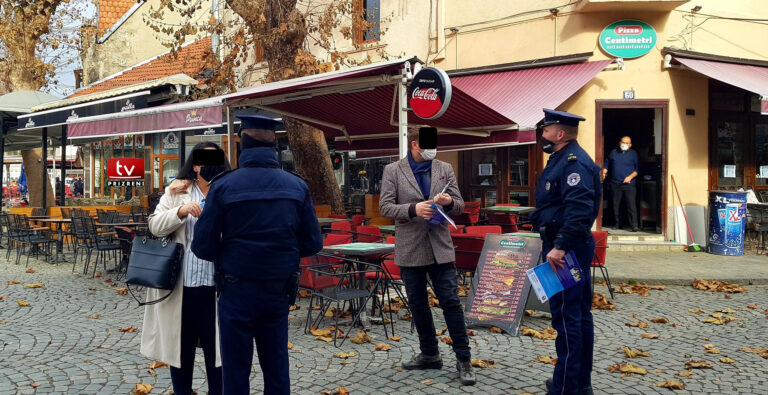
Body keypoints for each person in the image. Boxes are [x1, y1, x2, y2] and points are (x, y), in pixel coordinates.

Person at [191, 115, 323, 395]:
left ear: (242, 144)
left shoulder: (224, 186)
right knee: (276, 367)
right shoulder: (296, 186)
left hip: (236, 287)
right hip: (278, 288)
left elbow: (202, 246)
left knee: (235, 371)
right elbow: (312, 243)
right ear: (274, 145)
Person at [379, 127, 476, 386]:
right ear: (414, 145)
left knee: (451, 303)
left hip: (441, 247)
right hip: (410, 247)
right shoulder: (393, 170)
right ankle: (430, 354)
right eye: (427, 145)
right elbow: (385, 207)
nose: (433, 150)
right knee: (418, 304)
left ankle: (463, 359)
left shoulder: (444, 168)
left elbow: (460, 205)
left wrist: (447, 202)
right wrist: (413, 208)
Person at [142, 142, 231, 395]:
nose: (207, 166)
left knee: (218, 354)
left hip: (216, 286)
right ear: (194, 165)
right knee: (180, 351)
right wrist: (179, 211)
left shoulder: (227, 191)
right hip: (182, 287)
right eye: (203, 161)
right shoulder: (176, 191)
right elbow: (154, 226)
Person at [530, 109, 601, 395]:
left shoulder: (574, 163)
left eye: (546, 130)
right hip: (564, 245)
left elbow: (580, 210)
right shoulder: (561, 158)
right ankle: (578, 382)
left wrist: (559, 247)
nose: (542, 135)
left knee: (568, 318)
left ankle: (567, 387)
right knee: (577, 317)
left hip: (567, 250)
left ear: (559, 134)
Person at [602, 136, 639, 231]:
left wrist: (630, 177)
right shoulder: (613, 153)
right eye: (623, 142)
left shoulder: (633, 154)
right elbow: (607, 163)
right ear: (619, 143)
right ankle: (618, 224)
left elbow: (637, 170)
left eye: (627, 143)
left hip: (629, 184)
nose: (624, 144)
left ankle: (634, 225)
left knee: (631, 205)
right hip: (615, 183)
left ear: (630, 145)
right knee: (616, 205)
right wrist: (604, 171)